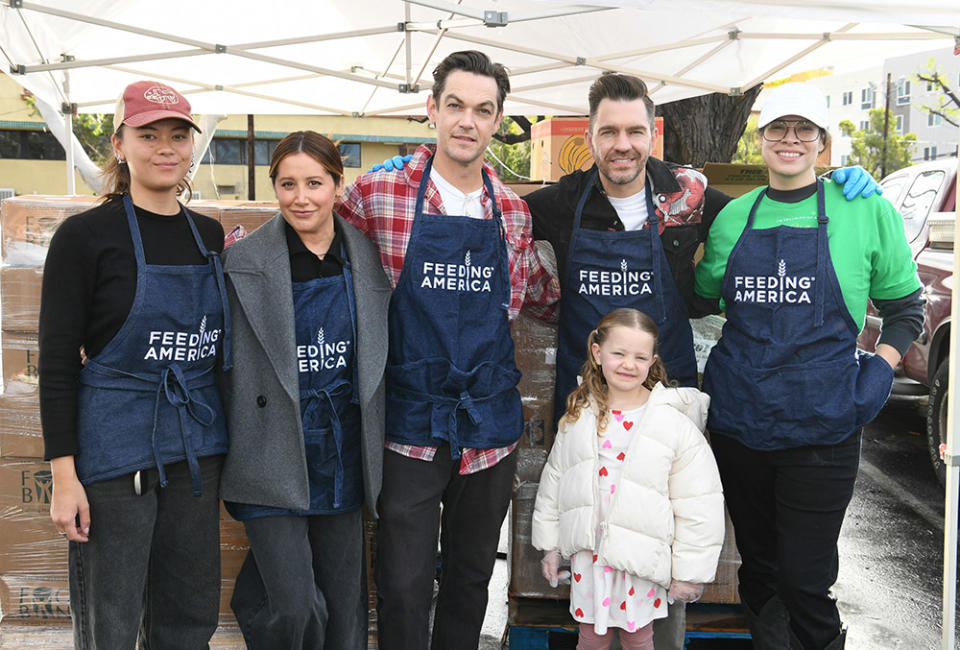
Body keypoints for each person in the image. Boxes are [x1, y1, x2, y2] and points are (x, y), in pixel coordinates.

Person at [520, 74, 880, 648]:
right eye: (608, 131)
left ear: (653, 136)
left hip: (668, 414)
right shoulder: (557, 205)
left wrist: (838, 181)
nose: (622, 144)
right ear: (588, 136)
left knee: (659, 554)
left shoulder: (692, 201)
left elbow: (781, 198)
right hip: (591, 414)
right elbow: (486, 206)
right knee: (594, 563)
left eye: (635, 131)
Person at [336, 50, 560, 649]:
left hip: (488, 418)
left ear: (497, 121)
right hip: (409, 414)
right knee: (405, 580)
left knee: (470, 576)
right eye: (455, 106)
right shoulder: (379, 193)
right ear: (432, 109)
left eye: (483, 111)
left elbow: (541, 298)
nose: (467, 121)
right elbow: (312, 241)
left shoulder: (511, 212)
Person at [694, 82, 924, 650]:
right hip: (741, 423)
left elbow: (906, 310)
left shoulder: (865, 208)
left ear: (822, 142)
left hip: (822, 425)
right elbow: (701, 300)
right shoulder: (733, 218)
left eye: (805, 131)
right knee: (760, 571)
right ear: (762, 138)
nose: (790, 139)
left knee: (806, 579)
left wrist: (878, 371)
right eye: (778, 128)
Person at [39, 80, 229, 648]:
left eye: (177, 135)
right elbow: (55, 363)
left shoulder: (210, 235)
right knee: (112, 615)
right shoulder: (84, 237)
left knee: (189, 610)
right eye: (149, 135)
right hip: (115, 451)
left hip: (196, 448)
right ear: (120, 144)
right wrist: (64, 478)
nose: (165, 147)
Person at [219, 131, 390, 649]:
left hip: (341, 454)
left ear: (338, 185)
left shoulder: (367, 256)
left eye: (315, 183)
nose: (301, 197)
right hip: (270, 453)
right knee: (296, 606)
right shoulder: (242, 262)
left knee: (345, 609)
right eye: (287, 184)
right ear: (274, 187)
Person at [532, 308, 724, 650]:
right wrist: (551, 546)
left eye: (639, 357)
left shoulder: (671, 423)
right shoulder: (579, 416)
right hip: (590, 558)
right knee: (591, 637)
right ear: (597, 352)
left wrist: (689, 572)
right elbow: (555, 482)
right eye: (618, 353)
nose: (628, 364)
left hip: (639, 560)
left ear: (652, 361)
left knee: (638, 638)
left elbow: (699, 502)